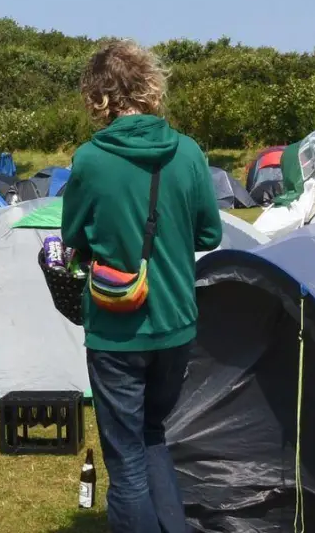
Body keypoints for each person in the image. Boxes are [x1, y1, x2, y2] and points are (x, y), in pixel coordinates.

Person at [61, 40, 225, 532]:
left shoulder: (90, 160)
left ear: (98, 96)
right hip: (175, 322)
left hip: (116, 329)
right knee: (153, 434)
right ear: (150, 86)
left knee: (127, 456)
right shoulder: (190, 152)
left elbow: (73, 237)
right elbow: (210, 234)